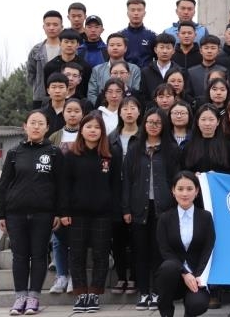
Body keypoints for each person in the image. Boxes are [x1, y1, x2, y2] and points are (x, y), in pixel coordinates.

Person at [0, 110, 64, 316]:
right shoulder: (14, 153)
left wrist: (59, 213)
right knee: (20, 256)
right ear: (25, 126)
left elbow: (60, 186)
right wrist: (1, 213)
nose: (36, 126)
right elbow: (4, 184)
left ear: (47, 128)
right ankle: (20, 297)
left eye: (40, 123)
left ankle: (34, 297)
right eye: (32, 123)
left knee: (39, 255)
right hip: (16, 214)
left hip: (43, 214)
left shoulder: (53, 152)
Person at [60, 112, 122, 313]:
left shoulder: (110, 154)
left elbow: (116, 186)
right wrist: (64, 211)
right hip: (77, 214)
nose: (93, 130)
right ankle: (80, 294)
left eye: (97, 127)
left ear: (102, 131)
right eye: (89, 127)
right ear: (81, 130)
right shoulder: (71, 155)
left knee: (101, 254)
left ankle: (94, 293)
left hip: (103, 214)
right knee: (76, 254)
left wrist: (115, 212)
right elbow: (65, 186)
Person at [122, 108, 180, 312]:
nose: (153, 126)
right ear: (143, 124)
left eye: (157, 123)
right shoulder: (135, 149)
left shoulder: (171, 149)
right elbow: (127, 181)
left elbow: (176, 180)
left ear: (163, 125)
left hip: (163, 209)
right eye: (149, 122)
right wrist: (126, 208)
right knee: (140, 252)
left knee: (159, 252)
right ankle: (144, 292)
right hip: (139, 208)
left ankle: (157, 292)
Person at [155, 171, 215, 317]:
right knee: (168, 267)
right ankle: (166, 312)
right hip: (173, 277)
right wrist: (184, 272)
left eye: (189, 189)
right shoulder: (165, 218)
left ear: (197, 191)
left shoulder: (206, 217)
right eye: (180, 189)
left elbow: (208, 249)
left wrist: (199, 275)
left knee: (198, 304)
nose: (185, 193)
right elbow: (165, 250)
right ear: (173, 191)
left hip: (197, 276)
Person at [110, 96, 142, 296]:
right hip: (115, 192)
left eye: (133, 108)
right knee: (118, 239)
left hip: (137, 191)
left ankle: (135, 278)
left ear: (139, 112)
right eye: (125, 108)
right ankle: (121, 276)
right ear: (119, 113)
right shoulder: (111, 138)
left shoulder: (145, 136)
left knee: (136, 239)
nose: (129, 112)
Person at [87, 32, 142, 105]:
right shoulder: (97, 70)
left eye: (119, 45)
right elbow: (92, 93)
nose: (115, 47)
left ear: (125, 48)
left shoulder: (134, 69)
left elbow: (136, 91)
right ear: (107, 48)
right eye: (112, 45)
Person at [27, 10, 64, 108]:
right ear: (43, 27)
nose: (51, 28)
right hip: (40, 98)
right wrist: (39, 87)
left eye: (55, 25)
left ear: (61, 27)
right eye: (48, 25)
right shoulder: (36, 50)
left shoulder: (67, 49)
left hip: (63, 98)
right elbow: (31, 74)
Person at [181, 104, 230, 174]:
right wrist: (193, 175)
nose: (207, 123)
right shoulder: (189, 146)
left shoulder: (226, 146)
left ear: (218, 122)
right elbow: (183, 171)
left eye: (211, 119)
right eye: (203, 119)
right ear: (198, 122)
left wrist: (218, 174)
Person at [43, 29, 91, 99]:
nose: (69, 45)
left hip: (79, 104)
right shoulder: (50, 66)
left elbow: (86, 90)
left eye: (72, 42)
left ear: (78, 45)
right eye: (66, 42)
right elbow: (47, 90)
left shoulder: (85, 66)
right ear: (60, 43)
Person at [121, 0, 158, 69]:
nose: (136, 13)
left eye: (139, 10)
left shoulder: (153, 36)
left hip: (146, 77)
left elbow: (158, 59)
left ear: (144, 13)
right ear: (127, 13)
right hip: (124, 76)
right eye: (133, 10)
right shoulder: (120, 36)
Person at [187, 35, 227, 100]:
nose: (209, 51)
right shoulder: (191, 71)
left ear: (218, 51)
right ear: (201, 51)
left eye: (213, 48)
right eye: (206, 48)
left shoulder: (224, 71)